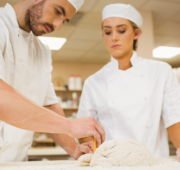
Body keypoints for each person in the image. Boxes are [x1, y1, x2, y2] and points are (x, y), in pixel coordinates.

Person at [0, 0, 105, 162]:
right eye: (58, 11)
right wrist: (70, 125)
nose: (58, 26)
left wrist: (73, 148)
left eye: (64, 20)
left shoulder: (42, 52)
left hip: (17, 162)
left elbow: (48, 105)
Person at [77, 4, 180, 161]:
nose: (114, 37)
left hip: (153, 161)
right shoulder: (93, 82)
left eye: (122, 30)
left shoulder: (161, 72)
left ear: (136, 33)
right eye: (107, 32)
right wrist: (92, 154)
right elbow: (85, 130)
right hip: (112, 163)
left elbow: (174, 118)